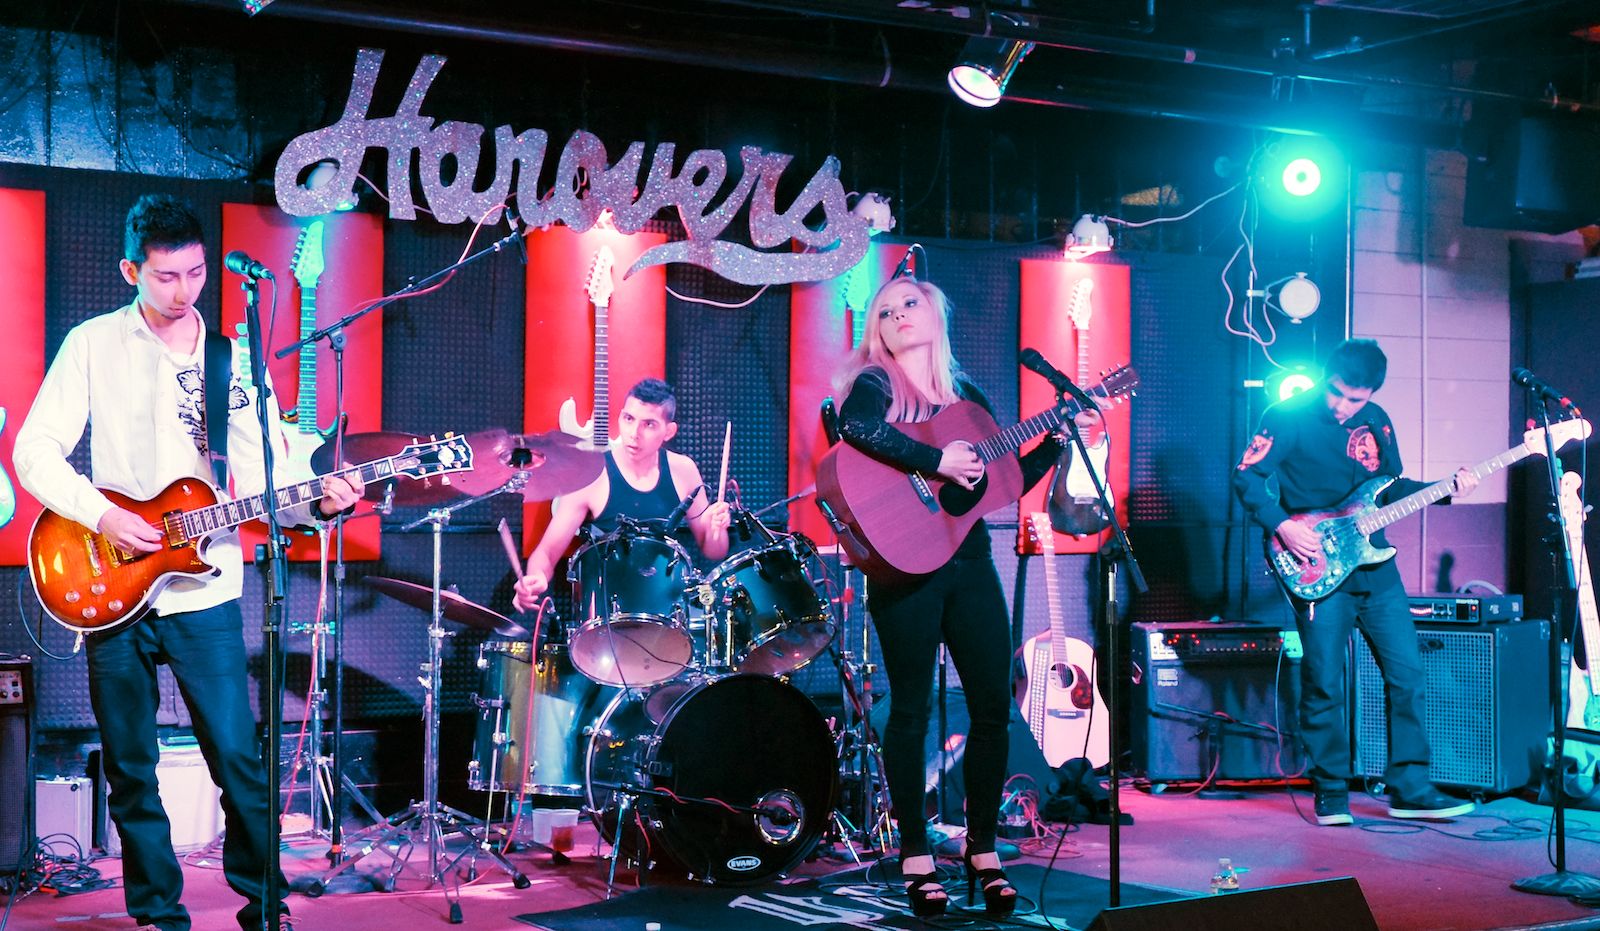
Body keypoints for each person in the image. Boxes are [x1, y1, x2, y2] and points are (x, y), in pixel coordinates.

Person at [13, 194, 363, 931]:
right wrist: (103, 515)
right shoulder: (92, 344)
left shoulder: (230, 359)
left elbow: (265, 475)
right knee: (131, 767)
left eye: (197, 274)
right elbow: (34, 450)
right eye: (166, 276)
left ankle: (264, 908)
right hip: (112, 582)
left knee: (238, 759)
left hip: (205, 589)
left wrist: (320, 504)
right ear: (131, 271)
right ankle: (158, 914)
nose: (184, 291)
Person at [832, 276, 1063, 918]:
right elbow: (856, 427)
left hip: (970, 562)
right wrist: (935, 463)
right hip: (903, 566)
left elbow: (1001, 482)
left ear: (936, 312)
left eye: (910, 303)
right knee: (909, 711)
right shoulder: (876, 383)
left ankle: (983, 851)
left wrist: (1056, 443)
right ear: (877, 330)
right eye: (886, 311)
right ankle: (915, 855)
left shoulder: (967, 397)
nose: (899, 315)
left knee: (993, 708)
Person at [1232, 338, 1478, 827]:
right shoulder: (1286, 415)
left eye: (1355, 399)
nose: (1342, 406)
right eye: (1337, 392)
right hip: (1315, 562)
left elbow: (1390, 488)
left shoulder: (1378, 421)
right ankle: (1330, 791)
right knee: (1324, 680)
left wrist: (1448, 489)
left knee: (1407, 675)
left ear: (1371, 395)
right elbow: (1247, 477)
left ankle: (1410, 788)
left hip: (1375, 567)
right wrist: (1282, 524)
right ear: (1327, 376)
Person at [512, 378, 732, 611]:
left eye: (649, 424)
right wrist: (535, 578)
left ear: (669, 431)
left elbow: (713, 551)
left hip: (666, 613)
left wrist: (717, 530)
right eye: (629, 419)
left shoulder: (683, 470)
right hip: (606, 614)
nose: (634, 433)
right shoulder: (591, 476)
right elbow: (546, 554)